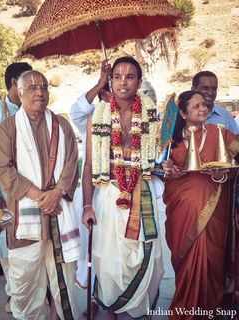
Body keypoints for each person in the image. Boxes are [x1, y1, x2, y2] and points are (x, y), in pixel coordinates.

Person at [82, 56, 164, 320]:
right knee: (107, 264)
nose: (122, 81)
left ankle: (142, 313)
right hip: (109, 194)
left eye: (129, 76)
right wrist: (86, 205)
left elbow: (160, 159)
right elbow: (89, 165)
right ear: (110, 80)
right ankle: (111, 314)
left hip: (144, 192)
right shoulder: (98, 117)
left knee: (145, 259)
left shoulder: (152, 115)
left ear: (138, 82)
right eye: (117, 76)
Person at [0, 70, 80, 320]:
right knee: (25, 278)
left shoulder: (62, 124)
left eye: (44, 87)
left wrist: (56, 193)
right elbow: (3, 167)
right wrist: (40, 196)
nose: (39, 92)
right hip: (24, 219)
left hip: (58, 213)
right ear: (19, 92)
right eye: (32, 87)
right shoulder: (8, 127)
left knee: (63, 275)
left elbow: (71, 163)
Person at [162, 90, 239, 319]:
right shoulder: (171, 140)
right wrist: (167, 171)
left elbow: (237, 161)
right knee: (185, 259)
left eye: (204, 105)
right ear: (183, 113)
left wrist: (226, 171)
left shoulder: (219, 132)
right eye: (196, 106)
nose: (203, 109)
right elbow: (160, 169)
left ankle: (210, 311)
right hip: (181, 207)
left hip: (214, 205)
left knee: (212, 258)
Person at [70, 60, 112, 318]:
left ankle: (113, 302)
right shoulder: (90, 117)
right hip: (89, 193)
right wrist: (99, 82)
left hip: (117, 192)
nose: (111, 92)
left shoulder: (133, 113)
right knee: (92, 248)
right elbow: (75, 110)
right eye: (106, 89)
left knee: (111, 252)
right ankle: (94, 299)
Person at [0, 62, 32, 314]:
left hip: (30, 190)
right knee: (5, 243)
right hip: (2, 194)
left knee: (29, 241)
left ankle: (31, 293)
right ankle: (14, 294)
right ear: (14, 84)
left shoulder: (35, 110)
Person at [191, 70, 239, 135]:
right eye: (205, 88)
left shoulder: (225, 116)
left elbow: (235, 142)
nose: (210, 93)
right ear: (193, 89)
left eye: (214, 89)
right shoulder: (180, 116)